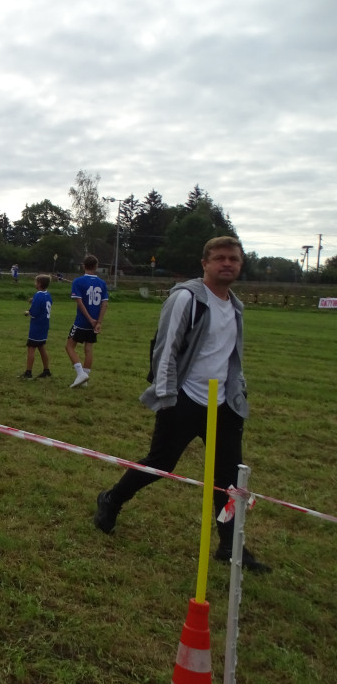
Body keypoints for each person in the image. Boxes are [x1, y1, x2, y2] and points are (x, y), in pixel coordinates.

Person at [92, 236, 270, 573]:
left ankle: (231, 547)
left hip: (225, 406)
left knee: (229, 479)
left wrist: (238, 393)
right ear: (205, 263)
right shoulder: (187, 299)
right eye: (219, 258)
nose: (227, 264)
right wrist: (167, 396)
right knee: (161, 463)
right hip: (185, 399)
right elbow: (165, 350)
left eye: (233, 258)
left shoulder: (235, 306)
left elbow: (232, 357)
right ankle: (111, 500)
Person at [66, 254, 109, 388]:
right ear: (96, 267)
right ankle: (85, 380)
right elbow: (104, 304)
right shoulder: (102, 283)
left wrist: (89, 319)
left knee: (69, 346)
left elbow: (80, 302)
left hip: (82, 322)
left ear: (83, 266)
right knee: (89, 348)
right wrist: (98, 322)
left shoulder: (78, 281)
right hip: (95, 323)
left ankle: (81, 374)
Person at [22, 274, 53, 379]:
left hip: (37, 326)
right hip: (44, 325)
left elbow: (34, 312)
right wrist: (33, 300)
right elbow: (43, 305)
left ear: (39, 284)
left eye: (36, 282)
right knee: (41, 347)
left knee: (31, 348)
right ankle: (46, 370)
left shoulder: (38, 295)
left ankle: (28, 372)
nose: (35, 284)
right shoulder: (47, 294)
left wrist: (27, 312)